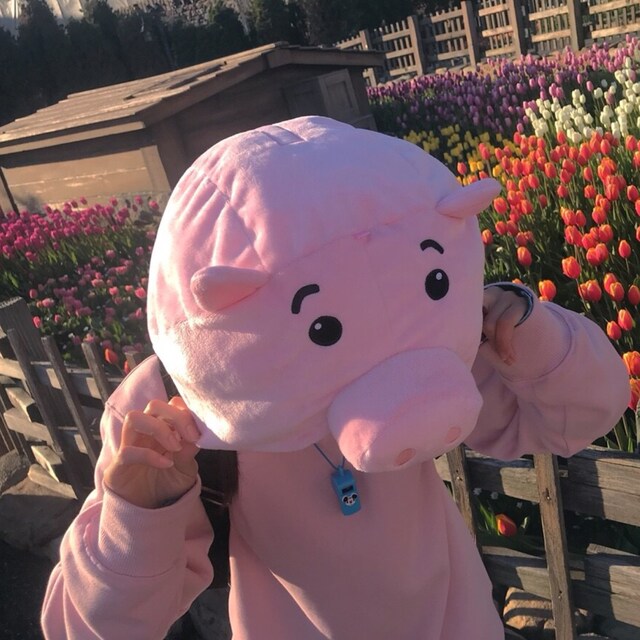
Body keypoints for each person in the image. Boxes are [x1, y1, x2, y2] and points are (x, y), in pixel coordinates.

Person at [41, 117, 629, 640]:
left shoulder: (416, 341)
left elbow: (588, 411)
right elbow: (83, 628)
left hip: (459, 621)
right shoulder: (173, 412)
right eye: (323, 324)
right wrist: (137, 515)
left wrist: (524, 329)